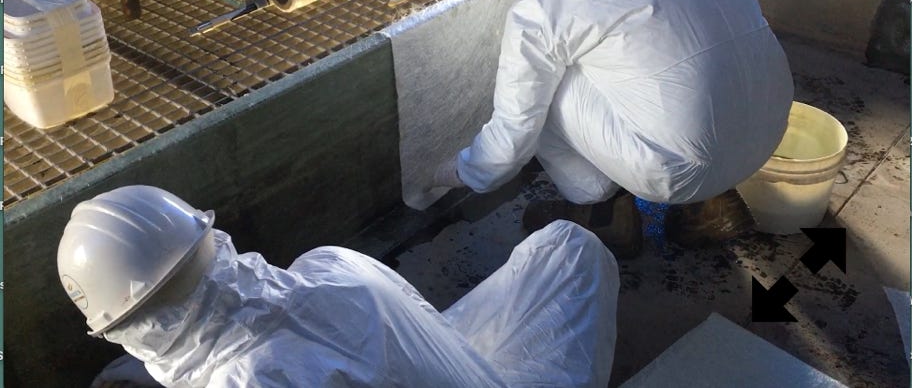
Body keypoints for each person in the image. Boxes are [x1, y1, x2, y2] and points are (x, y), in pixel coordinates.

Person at [431, 0, 794, 256]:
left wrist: (453, 172)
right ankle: (711, 206)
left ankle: (603, 215)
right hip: (769, 131)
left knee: (543, 89)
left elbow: (511, 140)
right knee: (665, 64)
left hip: (687, 168)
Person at [58, 185, 619, 387]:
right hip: (468, 375)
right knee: (567, 247)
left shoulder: (251, 380)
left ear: (134, 332)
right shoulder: (330, 265)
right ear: (211, 241)